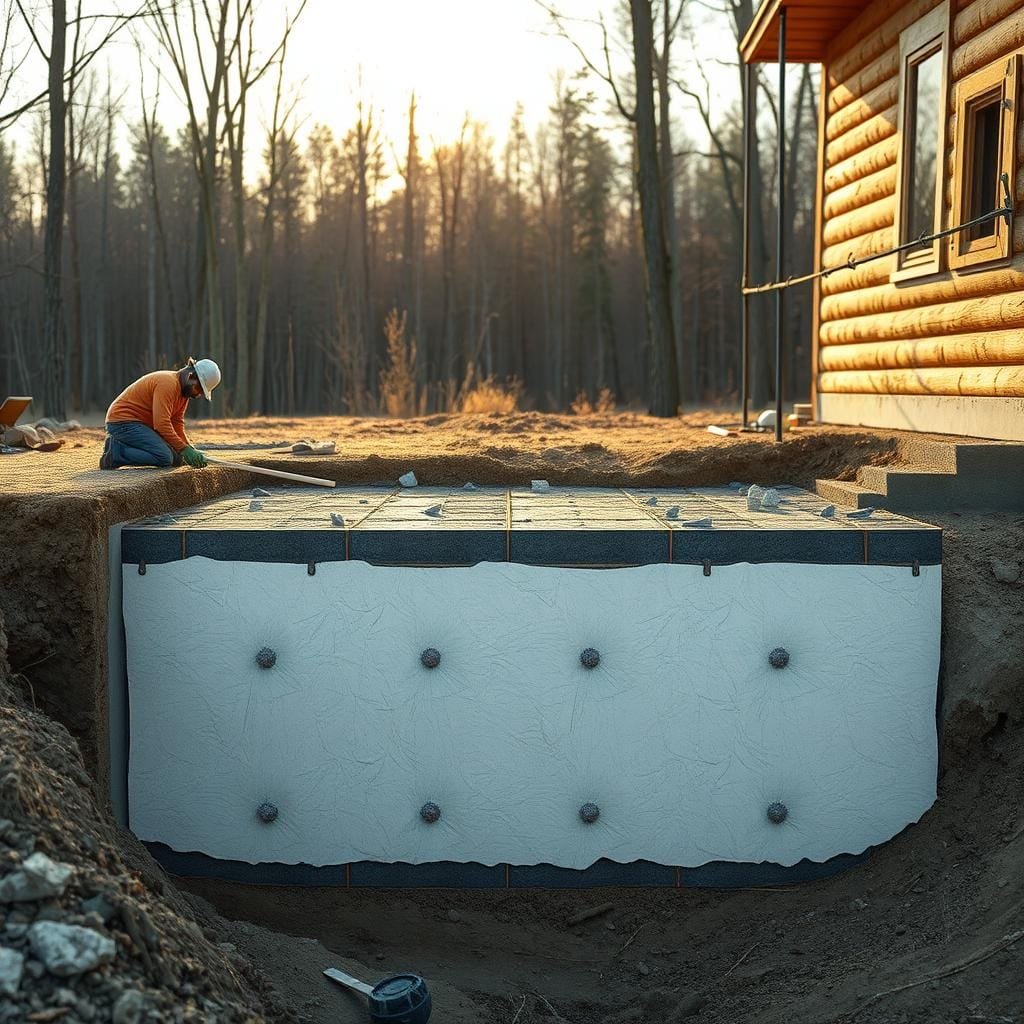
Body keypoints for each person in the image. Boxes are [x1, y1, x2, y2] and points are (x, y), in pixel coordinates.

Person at [99, 357, 221, 470]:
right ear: (191, 376)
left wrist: (189, 449)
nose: (198, 395)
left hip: (141, 425)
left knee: (178, 459)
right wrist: (184, 449)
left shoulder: (183, 394)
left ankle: (122, 446)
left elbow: (176, 423)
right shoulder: (168, 384)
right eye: (199, 389)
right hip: (122, 423)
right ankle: (115, 452)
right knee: (164, 457)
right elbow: (161, 424)